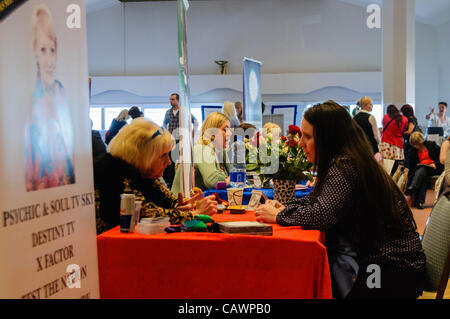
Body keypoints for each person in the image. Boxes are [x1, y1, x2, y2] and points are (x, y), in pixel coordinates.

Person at [255, 101, 426, 299]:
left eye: (308, 136)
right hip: (390, 263)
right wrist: (285, 207)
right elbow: (317, 201)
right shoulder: (350, 160)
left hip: (389, 270)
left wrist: (281, 215)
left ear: (328, 139)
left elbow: (323, 215)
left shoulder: (343, 164)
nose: (301, 143)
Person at [94, 118, 218, 234]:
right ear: (143, 157)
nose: (169, 162)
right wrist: (193, 213)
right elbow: (145, 214)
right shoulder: (114, 173)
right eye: (163, 155)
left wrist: (184, 206)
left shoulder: (147, 173)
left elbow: (170, 202)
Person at [24, 4, 75, 191]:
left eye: (52, 50)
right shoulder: (29, 101)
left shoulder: (61, 93)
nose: (49, 61)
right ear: (34, 53)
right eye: (43, 50)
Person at [171, 112, 231, 194]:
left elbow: (230, 174)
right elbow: (213, 182)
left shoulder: (220, 151)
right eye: (225, 130)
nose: (230, 133)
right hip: (181, 203)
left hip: (199, 200)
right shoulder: (202, 149)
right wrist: (231, 179)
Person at [162, 93, 199, 189]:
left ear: (178, 100)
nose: (171, 101)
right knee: (170, 163)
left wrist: (191, 135)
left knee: (180, 162)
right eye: (170, 99)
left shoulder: (184, 111)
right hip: (171, 141)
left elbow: (196, 122)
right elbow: (164, 124)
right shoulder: (168, 112)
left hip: (181, 140)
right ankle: (170, 184)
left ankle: (181, 183)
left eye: (173, 99)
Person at [404, 132, 444, 209]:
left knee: (423, 169)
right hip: (421, 171)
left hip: (435, 168)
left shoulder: (432, 145)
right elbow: (411, 170)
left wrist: (435, 164)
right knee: (423, 174)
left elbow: (442, 159)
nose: (416, 146)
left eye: (417, 143)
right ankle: (420, 202)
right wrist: (408, 183)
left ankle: (413, 188)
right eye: (414, 144)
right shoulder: (412, 152)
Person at [380, 104, 408, 174]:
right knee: (397, 164)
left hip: (386, 143)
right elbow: (404, 129)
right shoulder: (404, 119)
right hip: (397, 144)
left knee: (387, 166)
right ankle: (397, 180)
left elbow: (383, 126)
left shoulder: (385, 117)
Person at [353, 97, 382, 162]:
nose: (372, 106)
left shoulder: (354, 118)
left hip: (359, 146)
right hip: (371, 146)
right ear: (364, 105)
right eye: (370, 104)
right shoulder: (371, 117)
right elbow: (376, 136)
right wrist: (379, 144)